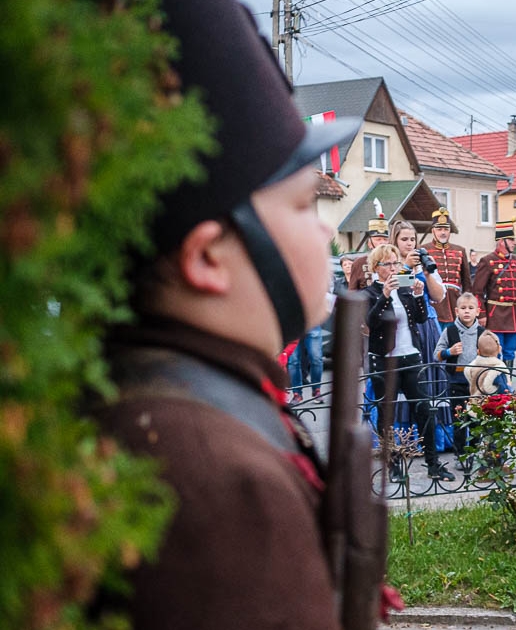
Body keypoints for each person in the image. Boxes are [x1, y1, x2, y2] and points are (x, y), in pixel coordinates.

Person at [90, 0, 371, 625]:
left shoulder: (190, 398)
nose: (324, 234)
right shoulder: (215, 479)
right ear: (209, 257)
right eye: (303, 207)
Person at [364, 244, 456, 483]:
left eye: (396, 263)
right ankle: (393, 466)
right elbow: (371, 322)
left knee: (424, 409)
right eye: (388, 264)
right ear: (377, 268)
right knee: (387, 414)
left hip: (410, 355)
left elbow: (421, 317)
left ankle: (433, 464)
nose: (394, 268)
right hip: (385, 360)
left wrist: (417, 296)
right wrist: (385, 296)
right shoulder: (370, 292)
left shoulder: (404, 286)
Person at [434, 292, 484, 469]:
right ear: (456, 311)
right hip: (456, 380)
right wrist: (449, 352)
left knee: (477, 419)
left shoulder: (483, 333)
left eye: (471, 308)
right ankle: (460, 454)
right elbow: (436, 354)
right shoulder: (450, 331)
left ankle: (475, 452)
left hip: (477, 383)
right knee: (460, 420)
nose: (467, 312)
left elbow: (495, 353)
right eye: (463, 308)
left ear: (478, 311)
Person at [471, 218, 516, 369]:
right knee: (495, 350)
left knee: (511, 351)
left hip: (514, 314)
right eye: (511, 239)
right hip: (496, 314)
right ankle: (496, 383)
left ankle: (508, 383)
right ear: (501, 241)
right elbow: (477, 290)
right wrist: (482, 314)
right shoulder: (487, 261)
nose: (514, 242)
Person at [426, 207, 473, 333]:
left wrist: (467, 305)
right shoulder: (424, 250)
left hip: (455, 303)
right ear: (433, 231)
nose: (443, 232)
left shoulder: (460, 250)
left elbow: (466, 281)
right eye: (439, 229)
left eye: (446, 229)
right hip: (433, 304)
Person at [464, 330, 513, 397]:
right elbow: (500, 389)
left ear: (478, 351)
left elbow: (469, 378)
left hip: (474, 403)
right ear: (499, 349)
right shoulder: (499, 369)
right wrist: (509, 387)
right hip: (492, 404)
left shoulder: (471, 366)